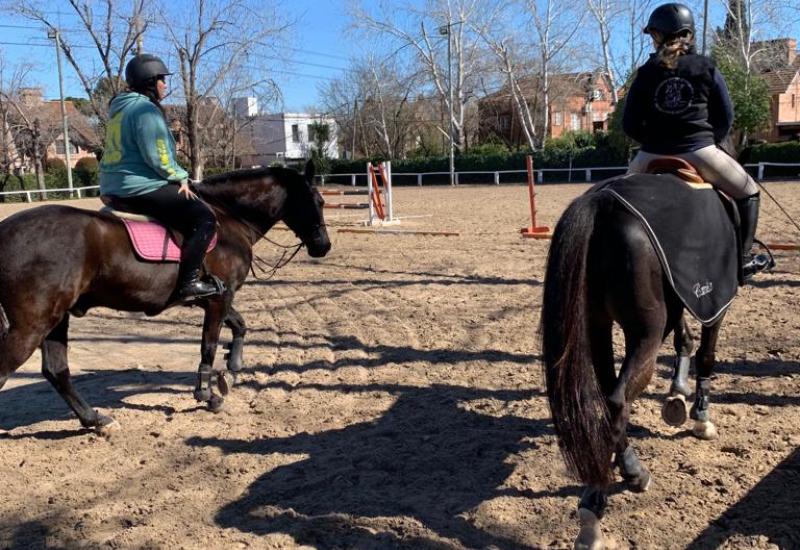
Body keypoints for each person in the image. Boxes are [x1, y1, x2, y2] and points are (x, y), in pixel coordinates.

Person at [623, 2, 771, 281]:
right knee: (749, 191)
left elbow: (628, 124)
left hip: (650, 156)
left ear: (662, 35)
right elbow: (726, 117)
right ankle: (743, 260)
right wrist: (709, 142)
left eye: (654, 35)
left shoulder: (646, 72)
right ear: (688, 34)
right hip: (700, 152)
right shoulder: (705, 66)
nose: (653, 41)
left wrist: (654, 142)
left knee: (616, 200)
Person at [99, 53, 221, 302]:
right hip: (138, 187)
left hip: (112, 186)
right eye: (162, 79)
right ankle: (189, 282)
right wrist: (180, 176)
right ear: (150, 82)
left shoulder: (120, 108)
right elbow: (158, 156)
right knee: (204, 217)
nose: (165, 84)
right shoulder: (145, 110)